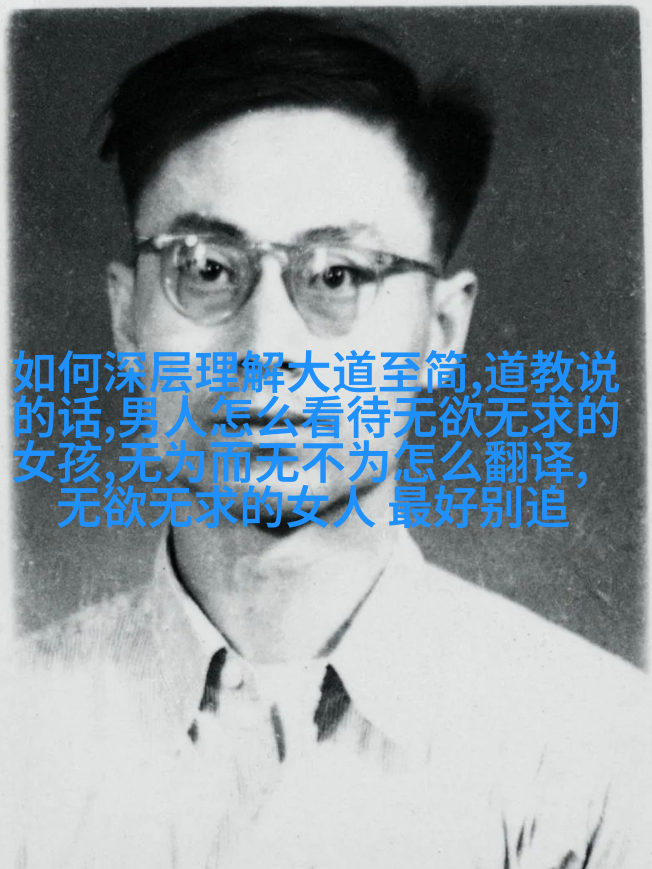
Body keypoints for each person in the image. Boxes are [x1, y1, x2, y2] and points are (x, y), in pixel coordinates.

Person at [11, 11, 650, 869]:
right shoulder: (19, 739)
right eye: (206, 268)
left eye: (339, 274)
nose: (267, 346)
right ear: (128, 319)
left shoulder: (601, 758)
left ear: (441, 331)